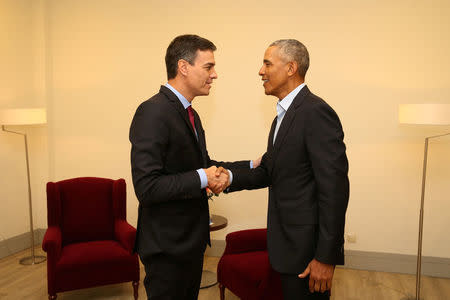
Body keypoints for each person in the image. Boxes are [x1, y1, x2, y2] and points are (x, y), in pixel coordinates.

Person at [219, 39, 349, 299]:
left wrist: (325, 257)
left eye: (267, 63)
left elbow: (334, 190)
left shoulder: (315, 112)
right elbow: (270, 169)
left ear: (291, 68)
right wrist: (227, 175)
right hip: (287, 250)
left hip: (307, 253)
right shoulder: (284, 115)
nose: (260, 71)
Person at [129, 34, 256, 300]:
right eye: (208, 67)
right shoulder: (152, 112)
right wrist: (202, 177)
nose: (215, 74)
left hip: (189, 243)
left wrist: (251, 165)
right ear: (183, 67)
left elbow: (204, 166)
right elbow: (147, 187)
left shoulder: (191, 113)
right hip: (167, 248)